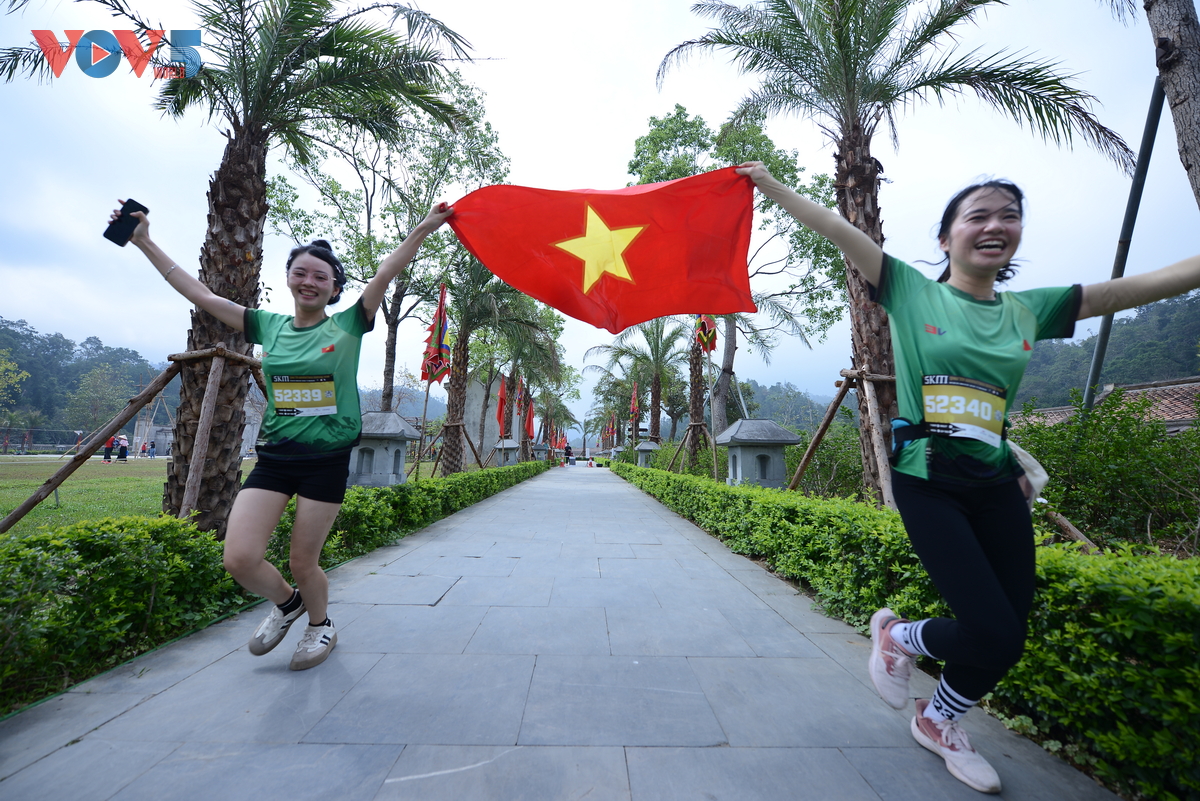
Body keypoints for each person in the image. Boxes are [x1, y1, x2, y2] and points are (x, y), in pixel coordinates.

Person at [735, 161, 1200, 793]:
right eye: (977, 215)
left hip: (997, 484)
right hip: (928, 480)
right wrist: (769, 185)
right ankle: (899, 636)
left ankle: (937, 718)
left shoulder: (1029, 310)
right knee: (991, 628)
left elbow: (1130, 290)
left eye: (1009, 215)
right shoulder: (911, 292)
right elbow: (840, 231)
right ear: (946, 236)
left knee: (1008, 635)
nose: (995, 225)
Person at [114, 199, 455, 670]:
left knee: (302, 561)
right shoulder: (268, 326)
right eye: (301, 272)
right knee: (239, 558)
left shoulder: (349, 325)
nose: (309, 281)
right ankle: (288, 604)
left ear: (335, 288)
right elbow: (202, 296)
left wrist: (425, 226)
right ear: (290, 278)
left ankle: (320, 624)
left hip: (325, 461)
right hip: (275, 458)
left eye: (321, 276)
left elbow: (386, 271)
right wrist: (144, 242)